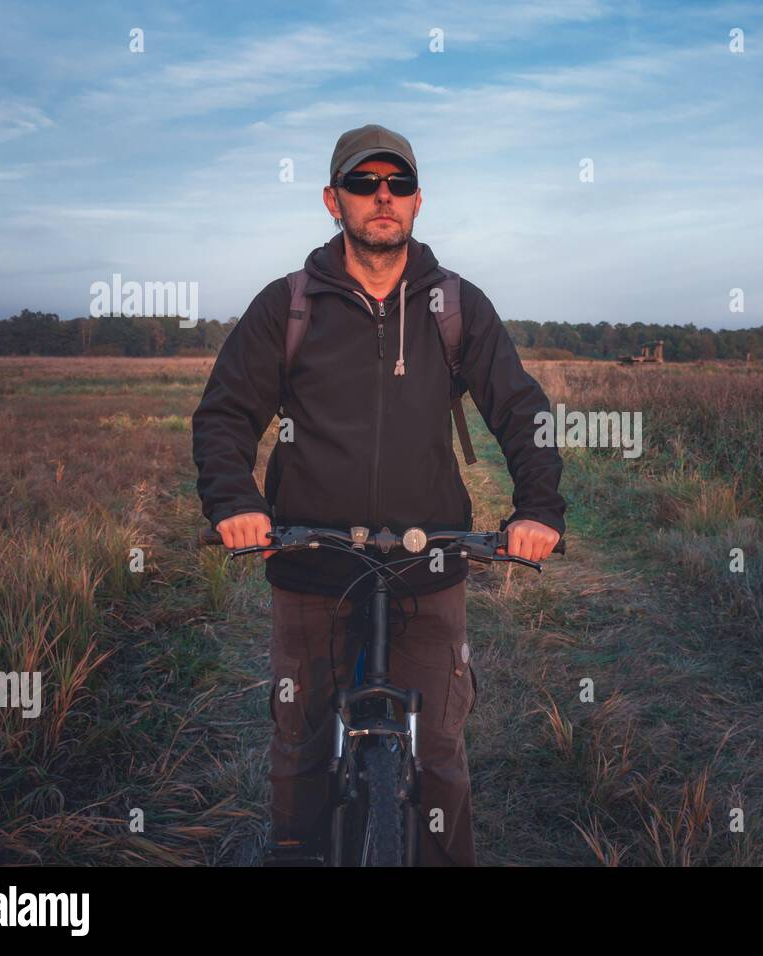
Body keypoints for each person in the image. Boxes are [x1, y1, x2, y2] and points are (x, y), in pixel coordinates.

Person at [191, 124, 567, 865]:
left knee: (438, 756)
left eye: (397, 183)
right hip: (308, 558)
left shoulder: (456, 306)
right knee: (300, 750)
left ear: (419, 200)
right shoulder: (289, 305)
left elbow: (521, 412)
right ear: (334, 200)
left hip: (429, 562)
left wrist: (537, 510)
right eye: (364, 184)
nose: (382, 196)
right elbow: (226, 412)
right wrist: (236, 502)